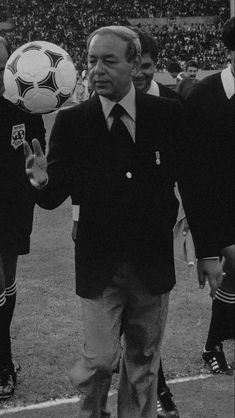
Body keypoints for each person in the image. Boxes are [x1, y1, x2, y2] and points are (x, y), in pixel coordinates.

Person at [23, 26, 216, 418]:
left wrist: (209, 250)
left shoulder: (168, 114)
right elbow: (54, 193)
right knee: (98, 360)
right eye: (92, 60)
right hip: (99, 264)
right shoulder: (74, 122)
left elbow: (194, 185)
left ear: (134, 65)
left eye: (109, 61)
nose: (97, 69)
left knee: (143, 361)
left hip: (151, 263)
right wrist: (41, 182)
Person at [131, 26, 183, 418]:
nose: (139, 74)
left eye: (147, 66)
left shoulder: (173, 105)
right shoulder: (102, 102)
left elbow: (190, 170)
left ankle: (153, 384)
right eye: (135, 65)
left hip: (156, 229)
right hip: (109, 226)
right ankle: (158, 387)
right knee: (121, 312)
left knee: (149, 318)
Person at [183, 17, 235, 374]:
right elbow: (192, 173)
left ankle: (213, 343)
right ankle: (213, 344)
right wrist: (206, 243)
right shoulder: (203, 96)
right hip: (221, 207)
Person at [0, 36, 46, 400]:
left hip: (14, 208)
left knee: (8, 282)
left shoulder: (25, 107)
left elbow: (37, 161)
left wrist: (37, 178)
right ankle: (4, 361)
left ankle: (3, 357)